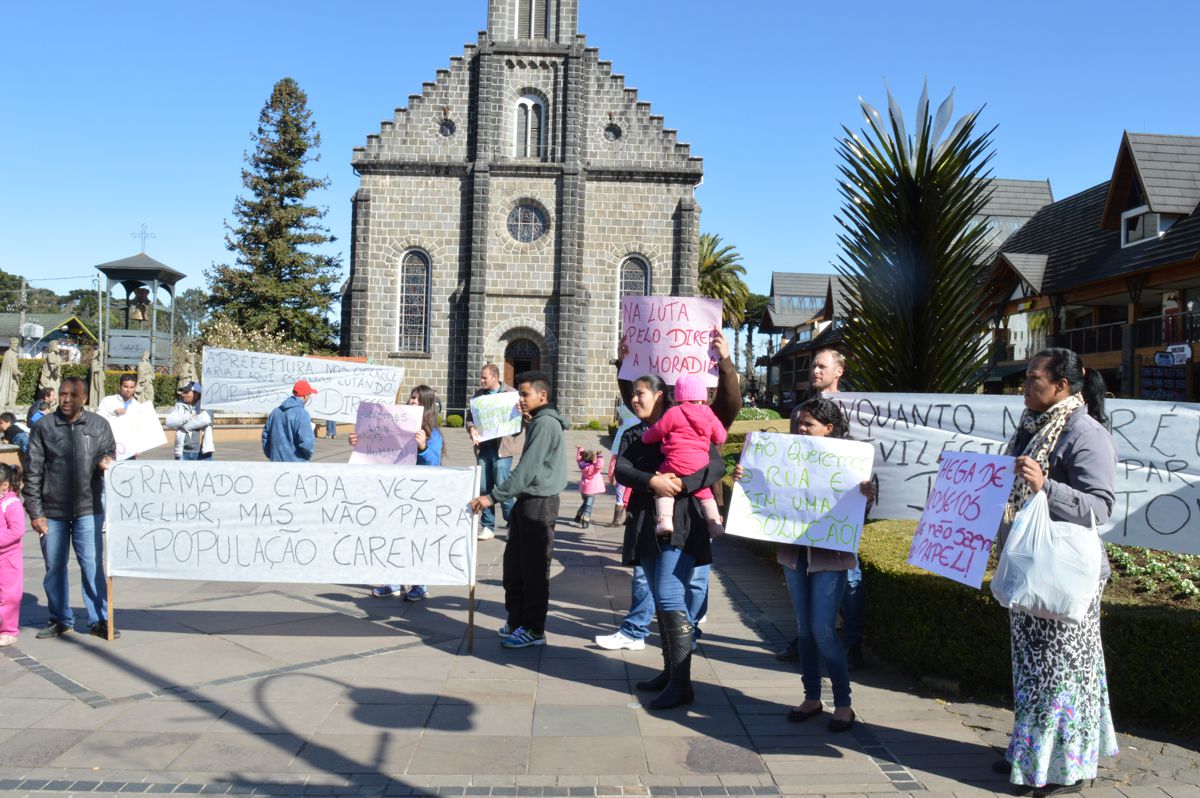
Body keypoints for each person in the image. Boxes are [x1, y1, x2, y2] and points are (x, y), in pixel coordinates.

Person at [995, 348, 1118, 797]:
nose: (1024, 386)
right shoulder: (1034, 428)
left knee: (1065, 672)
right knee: (1032, 671)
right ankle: (1028, 754)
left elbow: (1100, 507)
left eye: (1033, 379)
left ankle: (1067, 768)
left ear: (1062, 386)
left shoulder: (1086, 433)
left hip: (1066, 575)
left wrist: (1047, 485)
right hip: (1031, 568)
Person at [594, 331, 740, 658]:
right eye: (633, 394)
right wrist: (625, 362)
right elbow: (625, 466)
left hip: (694, 516)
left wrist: (725, 361)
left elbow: (717, 461)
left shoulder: (703, 422)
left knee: (692, 583)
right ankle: (654, 639)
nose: (635, 399)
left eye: (642, 394)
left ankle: (684, 642)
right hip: (652, 518)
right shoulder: (644, 431)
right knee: (651, 582)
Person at [733, 397, 873, 732]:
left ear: (829, 428)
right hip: (794, 556)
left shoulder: (851, 462)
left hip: (830, 559)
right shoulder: (785, 457)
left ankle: (843, 704)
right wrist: (745, 477)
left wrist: (866, 495)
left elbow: (859, 516)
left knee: (824, 631)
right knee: (805, 631)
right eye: (799, 423)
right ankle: (812, 697)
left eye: (809, 424)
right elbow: (766, 494)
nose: (801, 428)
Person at [779, 347, 865, 669]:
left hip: (840, 513)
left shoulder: (858, 407)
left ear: (839, 371)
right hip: (805, 515)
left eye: (822, 366)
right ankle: (807, 640)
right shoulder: (799, 410)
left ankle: (852, 643)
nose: (815, 371)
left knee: (851, 579)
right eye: (813, 365)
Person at [469, 371, 567, 649]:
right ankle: (518, 620)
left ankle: (534, 629)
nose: (520, 400)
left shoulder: (546, 424)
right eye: (519, 395)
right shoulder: (537, 421)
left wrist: (492, 497)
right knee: (515, 568)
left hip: (540, 503)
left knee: (534, 571)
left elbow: (527, 469)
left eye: (524, 395)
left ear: (542, 395)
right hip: (528, 501)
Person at [24, 376, 118, 640]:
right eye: (63, 394)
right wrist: (35, 512)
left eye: (72, 395)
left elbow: (109, 452)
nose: (65, 399)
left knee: (92, 566)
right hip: (52, 512)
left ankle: (99, 619)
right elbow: (32, 471)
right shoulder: (44, 427)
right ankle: (59, 618)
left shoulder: (99, 425)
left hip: (88, 509)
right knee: (54, 567)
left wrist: (106, 459)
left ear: (84, 398)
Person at [352, 385, 445, 602]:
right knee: (393, 536)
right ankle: (393, 581)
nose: (413, 402)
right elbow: (377, 447)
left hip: (419, 493)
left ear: (427, 406)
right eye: (412, 398)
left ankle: (420, 585)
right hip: (395, 489)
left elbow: (434, 463)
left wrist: (422, 447)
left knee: (415, 539)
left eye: (418, 400)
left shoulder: (433, 433)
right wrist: (358, 443)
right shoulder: (394, 425)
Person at [640, 374, 727, 538]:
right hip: (701, 463)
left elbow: (658, 431)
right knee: (704, 491)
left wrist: (645, 438)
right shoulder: (708, 413)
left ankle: (664, 520)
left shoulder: (674, 412)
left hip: (676, 462)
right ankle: (715, 523)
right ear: (702, 397)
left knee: (663, 483)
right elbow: (721, 437)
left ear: (679, 396)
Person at [465, 364, 523, 541]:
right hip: (484, 446)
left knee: (501, 484)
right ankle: (488, 526)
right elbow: (470, 418)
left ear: (495, 377)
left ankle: (513, 523)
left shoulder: (510, 394)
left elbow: (524, 419)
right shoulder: (478, 396)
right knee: (483, 486)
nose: (481, 380)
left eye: (484, 377)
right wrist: (472, 429)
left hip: (503, 447)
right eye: (481, 377)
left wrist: (523, 412)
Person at [262, 380, 318, 462]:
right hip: (296, 465)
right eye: (309, 394)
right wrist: (306, 457)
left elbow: (265, 436)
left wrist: (271, 454)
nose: (309, 397)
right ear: (305, 396)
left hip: (275, 464)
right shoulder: (302, 414)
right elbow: (307, 443)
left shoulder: (275, 412)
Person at [0, 463, 24, 646]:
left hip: (8, 558)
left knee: (9, 595)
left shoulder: (11, 503)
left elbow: (17, 530)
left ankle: (8, 630)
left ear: (5, 484)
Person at [165, 381, 215, 461]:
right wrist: (189, 417)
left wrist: (184, 426)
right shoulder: (179, 405)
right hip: (182, 453)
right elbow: (169, 422)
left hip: (204, 454)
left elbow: (205, 419)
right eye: (183, 392)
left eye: (186, 392)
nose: (183, 394)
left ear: (196, 393)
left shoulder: (206, 405)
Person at [575, 447, 605, 528]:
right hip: (591, 491)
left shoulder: (581, 465)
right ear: (592, 458)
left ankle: (578, 516)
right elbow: (600, 465)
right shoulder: (593, 468)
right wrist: (600, 456)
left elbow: (578, 458)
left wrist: (580, 450)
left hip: (583, 490)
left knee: (585, 503)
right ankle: (585, 520)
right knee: (588, 506)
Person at [0, 338, 21, 408]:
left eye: (17, 344)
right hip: (8, 375)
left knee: (15, 388)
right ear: (10, 344)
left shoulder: (13, 354)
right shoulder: (8, 353)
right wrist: (17, 372)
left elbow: (14, 365)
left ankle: (12, 404)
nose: (16, 345)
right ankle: (7, 404)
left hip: (13, 376)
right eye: (14, 343)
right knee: (8, 389)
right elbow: (10, 366)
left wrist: (17, 372)